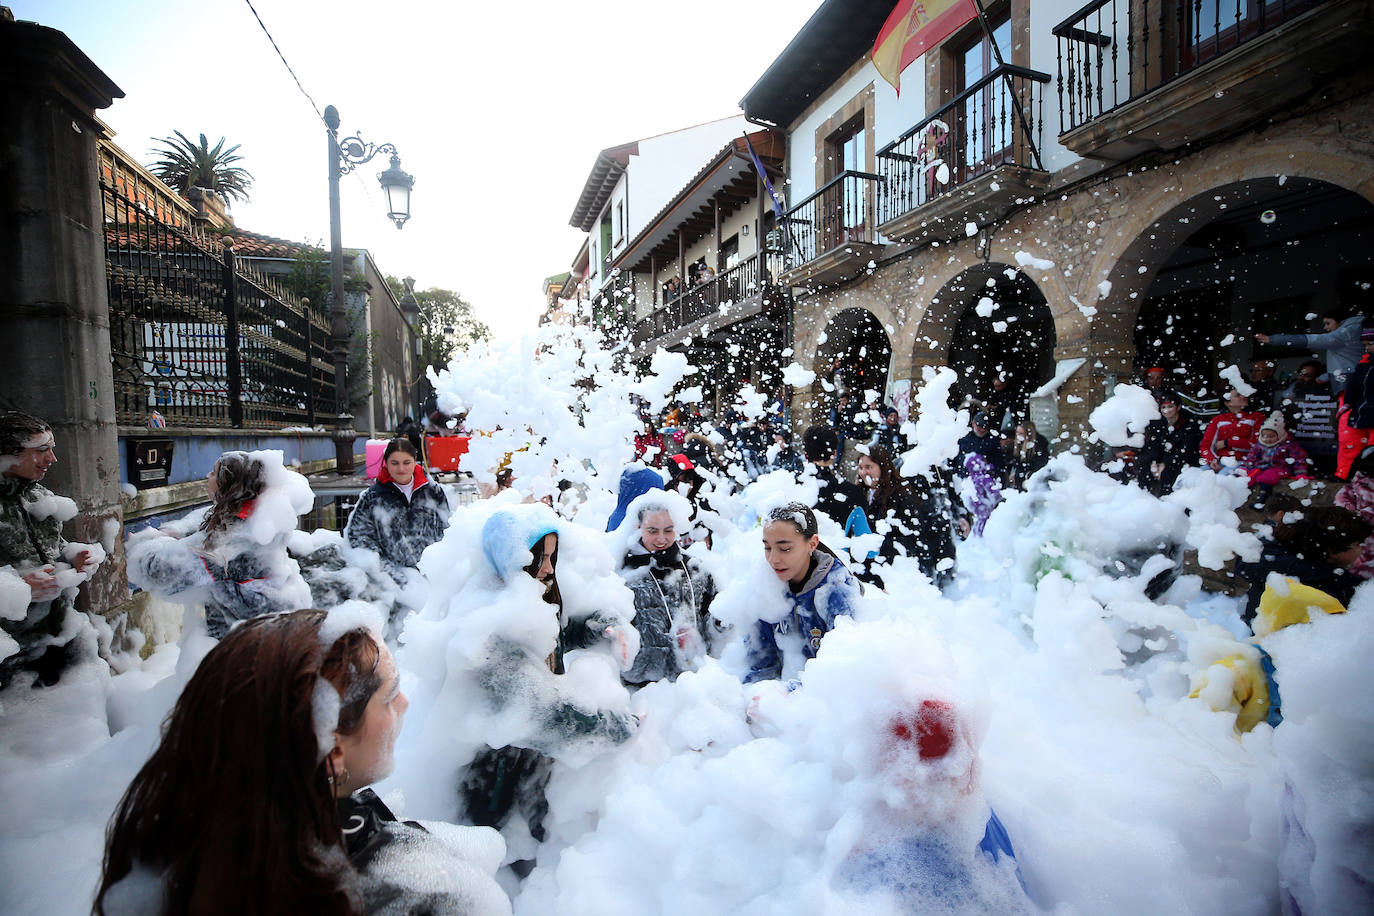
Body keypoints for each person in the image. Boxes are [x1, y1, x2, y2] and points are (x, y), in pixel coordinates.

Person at [95, 609, 511, 916]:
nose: (404, 704)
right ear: (332, 752)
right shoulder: (414, 898)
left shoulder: (185, 843)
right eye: (388, 697)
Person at [459, 511, 637, 852]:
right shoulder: (491, 632)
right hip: (495, 784)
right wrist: (618, 726)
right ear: (510, 559)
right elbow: (548, 715)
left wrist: (603, 626)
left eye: (552, 556)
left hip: (531, 768)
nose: (548, 568)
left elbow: (563, 632)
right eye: (538, 557)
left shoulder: (533, 605)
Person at [127, 451, 310, 639]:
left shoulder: (228, 542)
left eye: (214, 473)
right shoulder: (265, 515)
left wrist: (146, 541)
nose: (207, 476)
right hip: (280, 623)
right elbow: (208, 515)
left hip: (247, 641)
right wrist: (179, 530)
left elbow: (158, 571)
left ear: (230, 486)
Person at [0, 411, 98, 687]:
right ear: (9, 452)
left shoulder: (38, 496)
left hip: (59, 636)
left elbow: (51, 545)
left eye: (51, 449)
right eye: (42, 450)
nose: (52, 459)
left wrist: (72, 553)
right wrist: (17, 587)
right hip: (9, 653)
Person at [744, 503, 861, 684]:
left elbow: (844, 674)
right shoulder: (766, 585)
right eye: (767, 547)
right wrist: (760, 694)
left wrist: (788, 696)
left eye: (785, 548)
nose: (773, 559)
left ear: (812, 543)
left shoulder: (836, 593)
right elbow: (759, 663)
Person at [616, 493, 720, 685]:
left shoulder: (695, 569)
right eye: (652, 531)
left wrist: (719, 626)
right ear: (639, 528)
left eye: (668, 530)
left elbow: (714, 617)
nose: (661, 539)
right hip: (642, 687)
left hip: (694, 681)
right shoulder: (626, 576)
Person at [1233, 505, 1371, 632]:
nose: (1361, 550)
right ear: (1333, 551)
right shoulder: (1330, 588)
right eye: (1357, 544)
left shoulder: (1274, 566)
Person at [346, 438, 451, 585]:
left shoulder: (433, 492)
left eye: (406, 462)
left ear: (415, 461)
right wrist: (387, 570)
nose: (401, 469)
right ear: (386, 463)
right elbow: (358, 536)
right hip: (393, 583)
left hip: (433, 577)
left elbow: (447, 530)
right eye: (394, 463)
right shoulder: (373, 497)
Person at [856, 445, 956, 589]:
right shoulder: (860, 492)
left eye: (868, 467)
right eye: (860, 467)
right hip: (866, 566)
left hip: (894, 568)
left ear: (882, 467)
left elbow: (912, 535)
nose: (864, 472)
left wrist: (882, 546)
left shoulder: (901, 494)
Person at [1256, 306, 1364, 395]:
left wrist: (1274, 339)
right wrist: (1323, 378)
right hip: (1351, 380)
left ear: (1340, 323)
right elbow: (1343, 363)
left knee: (1347, 417)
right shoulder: (1352, 333)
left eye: (1328, 323)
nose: (1325, 328)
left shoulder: (1343, 335)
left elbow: (1313, 340)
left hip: (1348, 384)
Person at [1277, 360, 1338, 477]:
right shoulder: (1291, 391)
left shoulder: (1327, 393)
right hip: (1298, 440)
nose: (1301, 378)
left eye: (1307, 376)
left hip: (1322, 444)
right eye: (1300, 374)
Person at [801, 426, 868, 532]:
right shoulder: (852, 493)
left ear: (805, 455)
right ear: (834, 454)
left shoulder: (793, 489)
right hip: (838, 547)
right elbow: (863, 535)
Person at [1136, 391, 1201, 496]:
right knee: (1144, 468)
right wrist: (1154, 463)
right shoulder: (1158, 424)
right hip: (1164, 460)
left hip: (1184, 462)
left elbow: (1186, 450)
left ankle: (1165, 500)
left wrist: (1165, 464)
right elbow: (1153, 446)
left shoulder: (1189, 424)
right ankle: (1142, 497)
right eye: (1163, 407)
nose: (1166, 410)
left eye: (1170, 406)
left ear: (1178, 407)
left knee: (1169, 472)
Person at [1239, 412, 1311, 504]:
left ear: (1280, 435)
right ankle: (1243, 497)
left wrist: (1300, 474)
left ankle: (1262, 498)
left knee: (1267, 477)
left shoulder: (1288, 446)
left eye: (1271, 436)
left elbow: (1299, 460)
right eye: (1264, 436)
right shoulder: (1259, 446)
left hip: (1281, 468)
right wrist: (1244, 468)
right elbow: (1251, 458)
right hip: (1262, 467)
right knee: (1249, 477)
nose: (1267, 439)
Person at [1337, 325, 1374, 479]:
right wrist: (1348, 403)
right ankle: (1345, 475)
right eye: (1365, 345)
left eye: (1370, 344)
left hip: (1371, 412)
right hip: (1361, 412)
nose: (1367, 348)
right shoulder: (1364, 364)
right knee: (1351, 446)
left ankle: (1369, 479)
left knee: (1372, 448)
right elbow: (1354, 386)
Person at [1199, 389, 1265, 471]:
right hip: (1221, 460)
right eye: (1238, 395)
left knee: (1222, 476)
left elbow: (1255, 445)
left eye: (1243, 394)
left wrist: (1227, 442)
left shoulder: (1256, 417)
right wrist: (1212, 459)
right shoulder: (1218, 420)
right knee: (1196, 475)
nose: (1243, 397)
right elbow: (1206, 445)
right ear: (1227, 403)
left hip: (1244, 461)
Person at [1005, 420, 1051, 490]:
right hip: (1021, 478)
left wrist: (1027, 475)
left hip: (1033, 480)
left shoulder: (1039, 444)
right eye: (1017, 432)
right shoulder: (1019, 444)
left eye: (1021, 433)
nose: (1018, 435)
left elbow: (1040, 463)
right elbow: (1018, 462)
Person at [957, 412, 1004, 477]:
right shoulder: (963, 438)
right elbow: (957, 459)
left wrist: (987, 464)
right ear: (973, 424)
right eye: (979, 426)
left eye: (985, 427)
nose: (982, 429)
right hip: (965, 477)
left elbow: (998, 463)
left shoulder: (993, 442)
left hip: (985, 478)